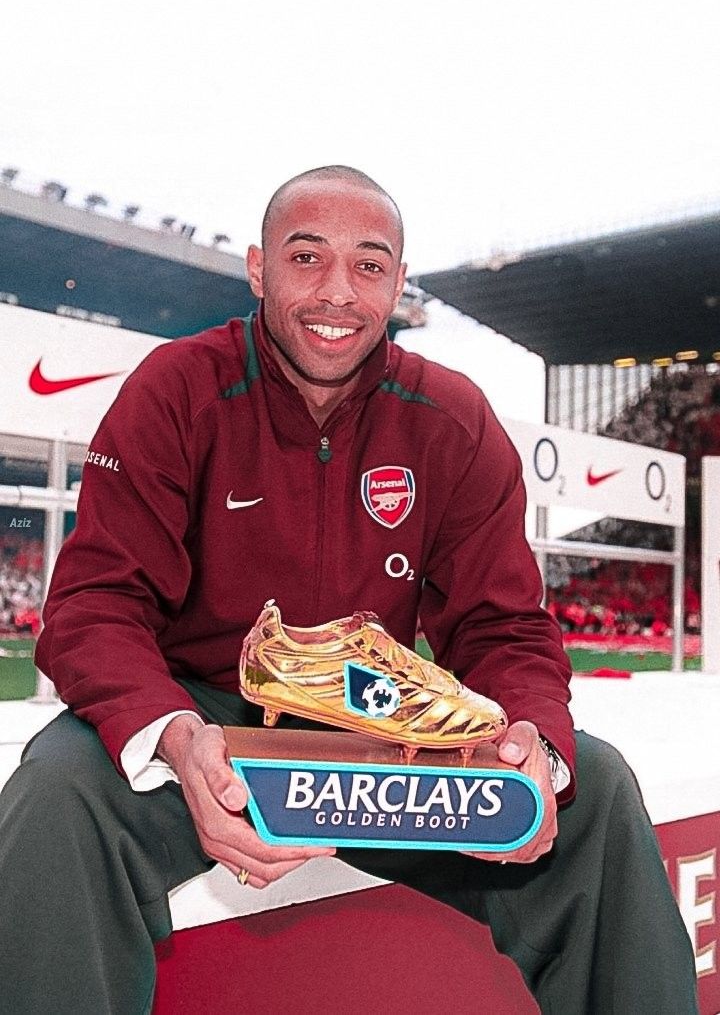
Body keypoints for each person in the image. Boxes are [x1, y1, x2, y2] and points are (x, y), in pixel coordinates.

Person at [0, 165, 699, 1015]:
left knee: (594, 786)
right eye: (306, 257)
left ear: (399, 285)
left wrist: (534, 744)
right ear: (259, 268)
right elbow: (94, 605)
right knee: (56, 792)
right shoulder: (176, 390)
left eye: (369, 265)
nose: (338, 292)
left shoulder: (451, 416)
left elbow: (505, 625)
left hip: (379, 744)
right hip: (208, 724)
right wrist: (177, 738)